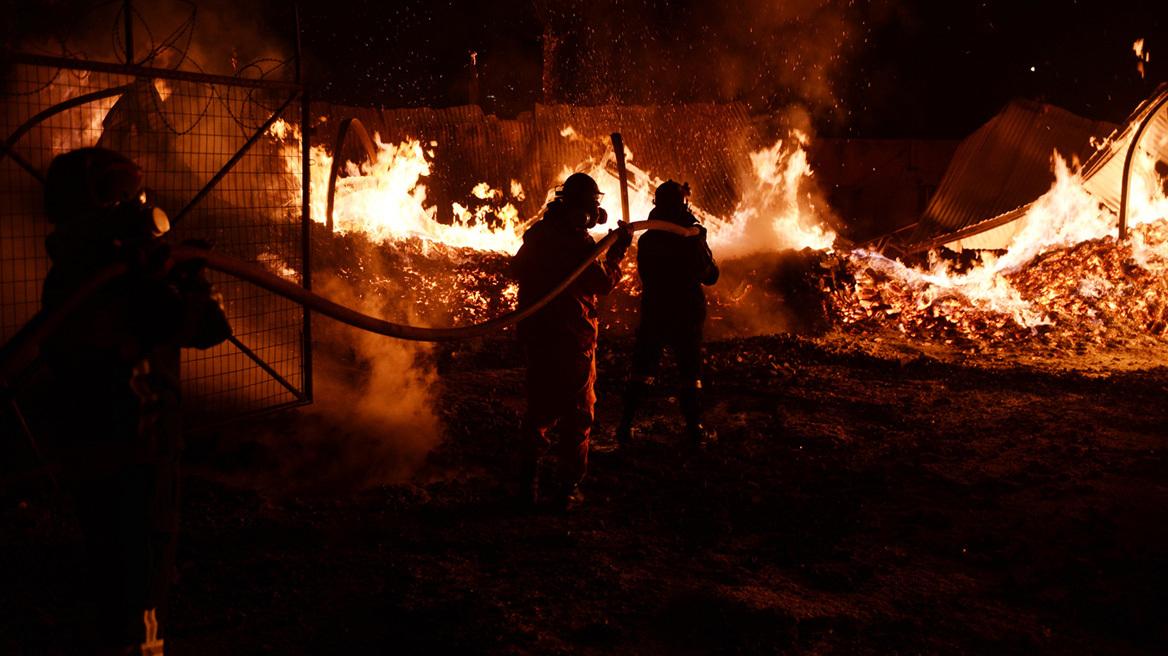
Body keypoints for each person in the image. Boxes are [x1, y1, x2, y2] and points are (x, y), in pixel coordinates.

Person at [40, 147, 232, 655]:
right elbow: (210, 327)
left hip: (97, 453)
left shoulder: (74, 274)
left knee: (113, 569)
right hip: (137, 452)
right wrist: (190, 279)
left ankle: (126, 638)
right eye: (116, 193)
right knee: (143, 576)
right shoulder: (118, 283)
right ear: (87, 207)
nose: (133, 203)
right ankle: (146, 647)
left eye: (132, 191)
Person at [510, 172, 632, 510]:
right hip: (571, 339)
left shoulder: (539, 236)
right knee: (578, 414)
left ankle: (526, 487)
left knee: (539, 410)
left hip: (538, 335)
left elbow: (516, 269)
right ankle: (566, 490)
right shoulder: (577, 243)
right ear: (585, 209)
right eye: (592, 207)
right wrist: (616, 253)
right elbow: (601, 284)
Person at [616, 180, 719, 448]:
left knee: (643, 366)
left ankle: (625, 425)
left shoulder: (648, 238)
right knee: (689, 369)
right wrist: (701, 242)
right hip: (686, 312)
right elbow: (710, 275)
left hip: (655, 310)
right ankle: (695, 429)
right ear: (682, 204)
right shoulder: (690, 236)